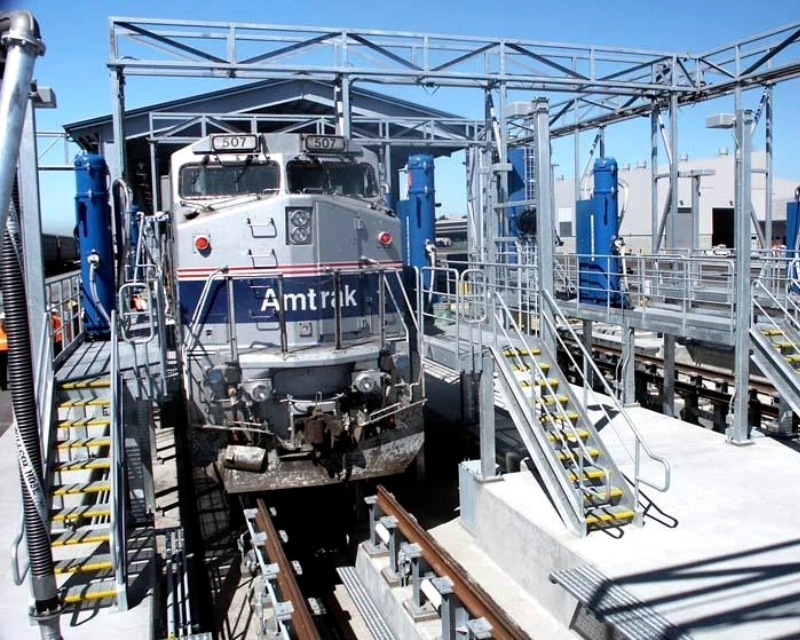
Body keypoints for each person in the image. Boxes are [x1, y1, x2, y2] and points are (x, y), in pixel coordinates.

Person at [0, 312, 7, 391]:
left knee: (2, 368)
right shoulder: (9, 328)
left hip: (2, 350)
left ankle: (3, 385)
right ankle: (3, 384)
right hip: (6, 349)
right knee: (3, 369)